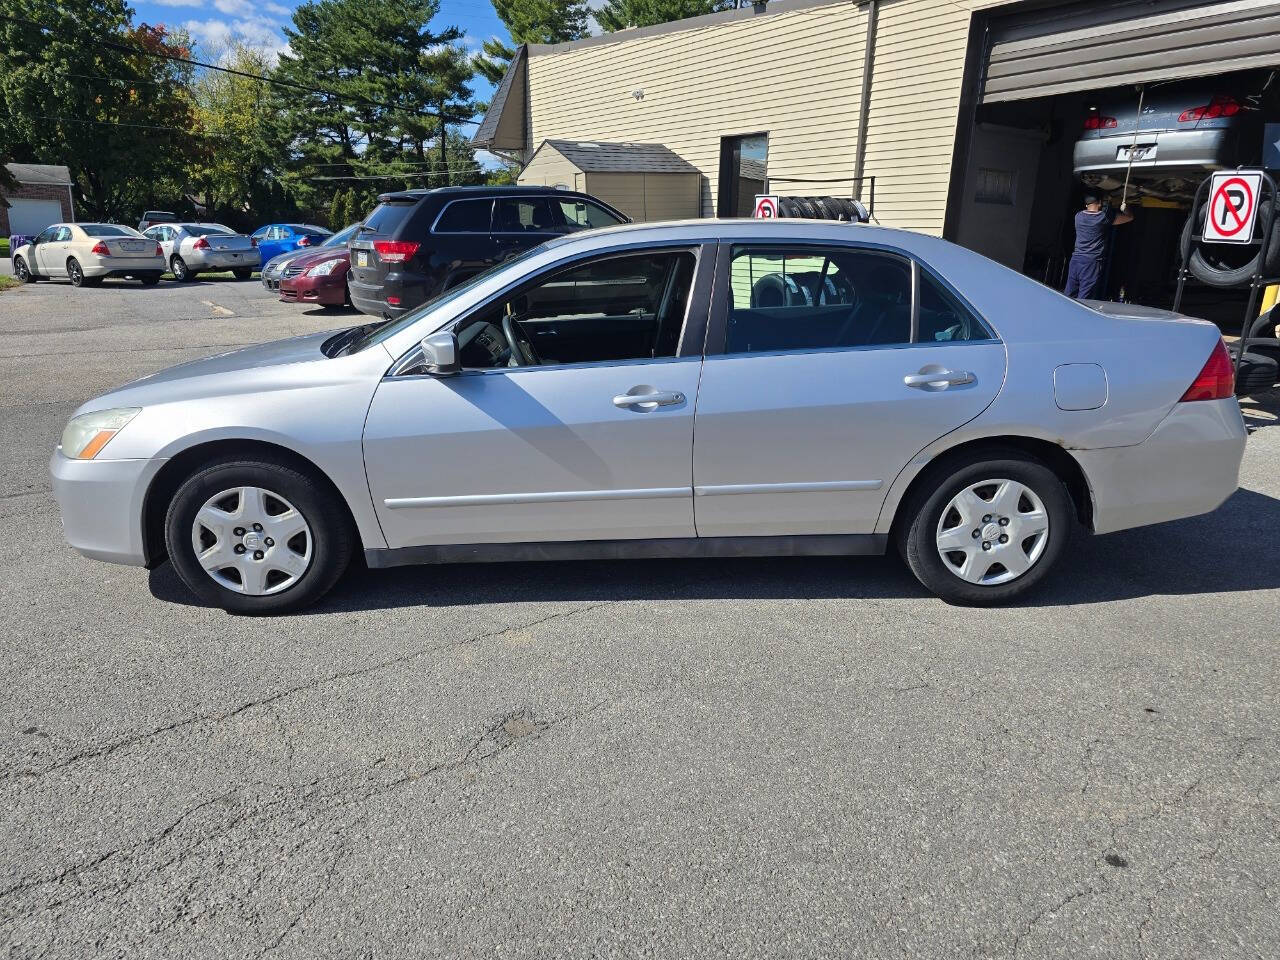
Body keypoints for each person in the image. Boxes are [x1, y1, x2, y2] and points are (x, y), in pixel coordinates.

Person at [1064, 194, 1134, 300]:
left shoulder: (1078, 216)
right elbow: (1129, 217)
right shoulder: (1102, 217)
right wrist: (1125, 206)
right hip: (1091, 263)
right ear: (1100, 203)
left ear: (1086, 204)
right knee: (1084, 298)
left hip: (1076, 260)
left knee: (1069, 294)